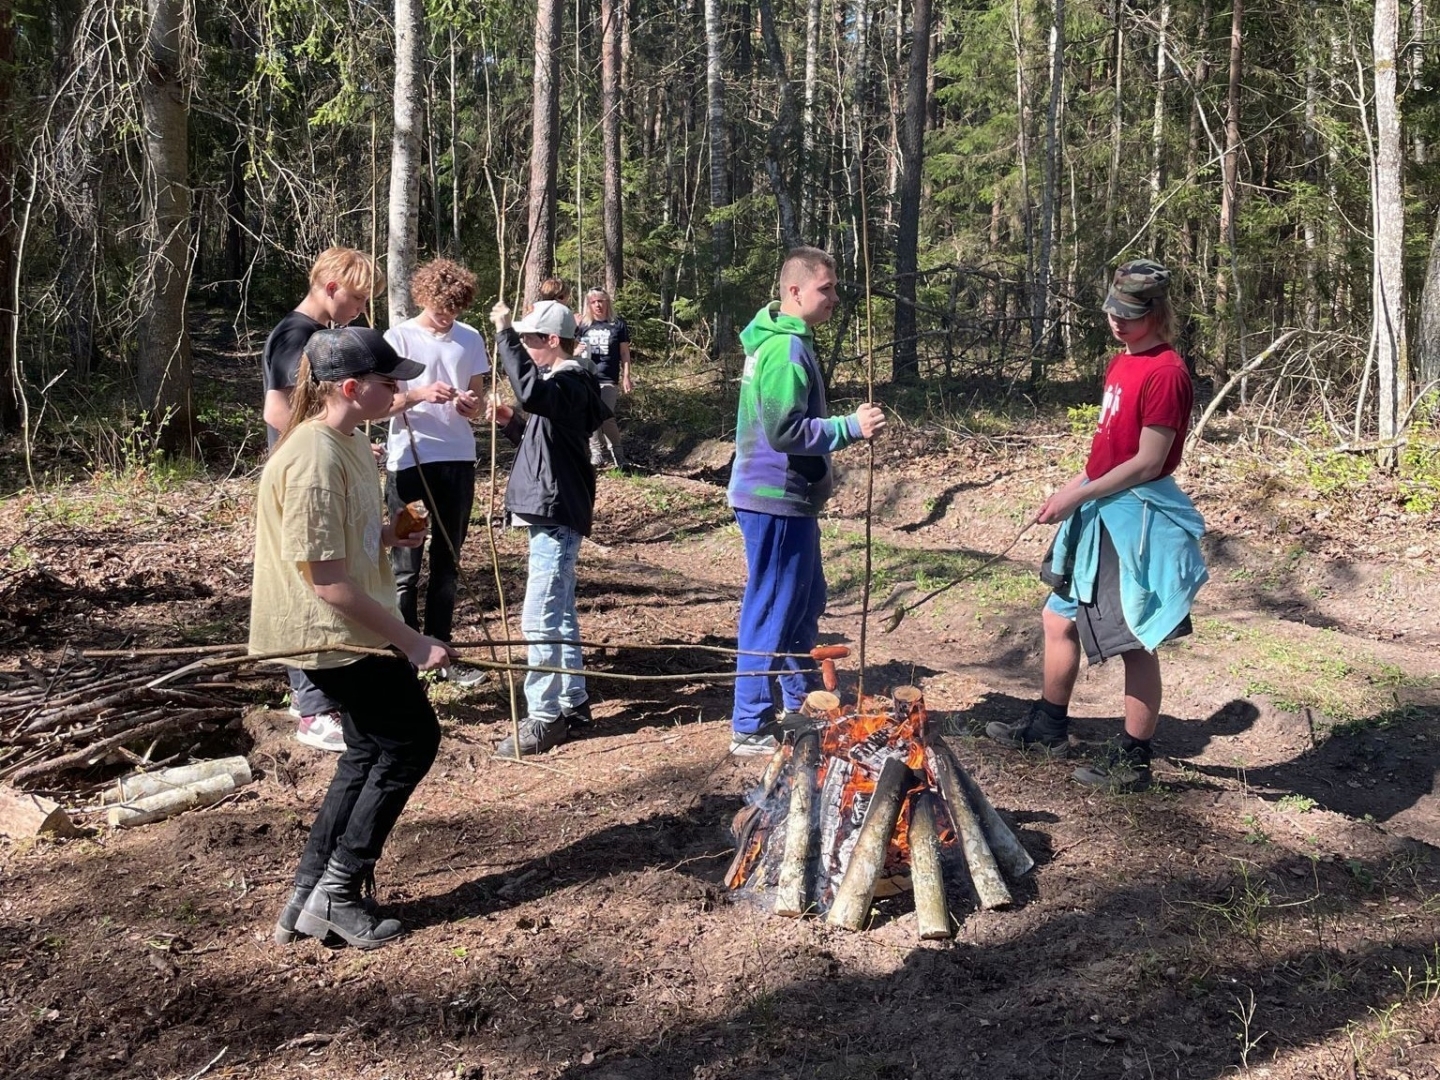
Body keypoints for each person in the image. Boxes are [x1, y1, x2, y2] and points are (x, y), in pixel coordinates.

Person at [252, 326, 456, 949]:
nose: (400, 390)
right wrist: (413, 642)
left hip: (346, 630)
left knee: (369, 750)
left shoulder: (347, 442)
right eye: (389, 382)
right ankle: (340, 893)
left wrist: (390, 537)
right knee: (410, 741)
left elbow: (346, 544)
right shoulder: (312, 455)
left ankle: (309, 893)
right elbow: (326, 581)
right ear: (349, 388)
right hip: (333, 634)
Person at [985, 259, 1208, 793]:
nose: (1118, 322)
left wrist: (1080, 494)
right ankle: (1047, 728)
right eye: (1114, 311)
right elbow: (1111, 450)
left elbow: (1149, 462)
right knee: (1058, 619)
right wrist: (1070, 490)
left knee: (1133, 639)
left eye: (1130, 314)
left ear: (1156, 313)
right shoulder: (1120, 364)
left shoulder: (1166, 373)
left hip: (1133, 522)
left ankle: (1134, 762)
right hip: (1096, 509)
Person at [726, 247, 886, 756]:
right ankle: (749, 723)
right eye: (827, 289)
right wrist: (849, 428)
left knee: (803, 604)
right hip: (774, 497)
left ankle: (805, 705)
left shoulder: (787, 340)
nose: (835, 297)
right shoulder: (784, 350)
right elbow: (783, 430)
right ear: (794, 292)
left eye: (835, 288)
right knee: (770, 608)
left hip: (791, 500)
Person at [260, 246, 384, 753]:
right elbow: (277, 408)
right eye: (355, 298)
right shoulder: (299, 336)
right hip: (305, 473)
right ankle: (313, 709)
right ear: (330, 286)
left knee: (326, 571)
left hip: (318, 461)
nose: (359, 309)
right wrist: (323, 442)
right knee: (312, 579)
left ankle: (316, 697)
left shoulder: (308, 334)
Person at [486, 299, 610, 756]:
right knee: (558, 612)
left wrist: (502, 333)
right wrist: (512, 423)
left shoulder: (571, 380)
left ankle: (544, 717)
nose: (524, 347)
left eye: (527, 341)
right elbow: (546, 439)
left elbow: (534, 395)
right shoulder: (565, 385)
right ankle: (573, 701)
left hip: (556, 513)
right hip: (552, 509)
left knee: (538, 616)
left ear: (551, 341)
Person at [382, 258, 490, 687]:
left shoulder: (470, 338)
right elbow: (380, 406)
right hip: (410, 462)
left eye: (455, 309)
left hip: (458, 461)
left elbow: (479, 405)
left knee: (448, 563)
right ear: (423, 297)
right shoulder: (399, 338)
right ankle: (406, 658)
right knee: (407, 563)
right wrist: (420, 394)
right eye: (440, 307)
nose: (447, 316)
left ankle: (442, 654)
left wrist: (471, 407)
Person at [578, 287, 633, 471]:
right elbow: (570, 349)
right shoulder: (583, 325)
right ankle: (596, 453)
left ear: (607, 302)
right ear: (589, 305)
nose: (597, 305)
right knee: (590, 415)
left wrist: (626, 376)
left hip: (608, 378)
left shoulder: (617, 324)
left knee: (606, 416)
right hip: (587, 377)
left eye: (600, 301)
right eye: (593, 302)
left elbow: (624, 353)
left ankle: (618, 454)